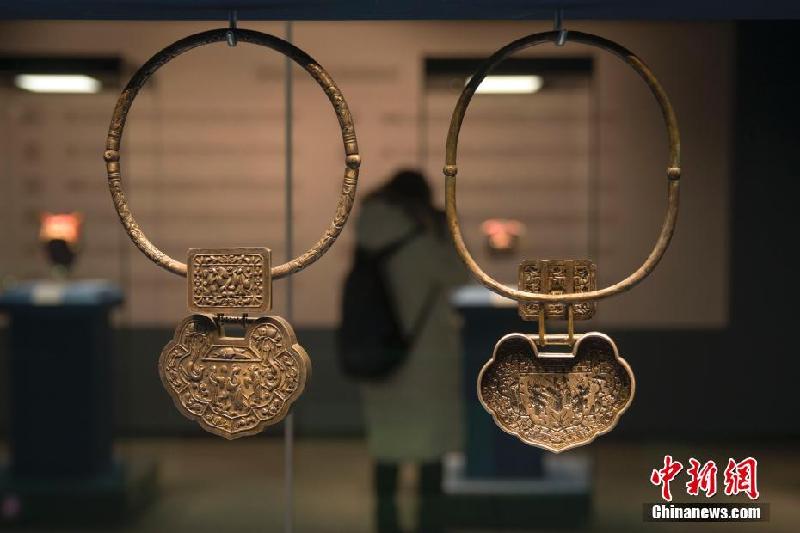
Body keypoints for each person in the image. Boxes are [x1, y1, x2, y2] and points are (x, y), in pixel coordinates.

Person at [354, 169, 468, 533]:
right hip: (426, 356)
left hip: (381, 352)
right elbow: (458, 274)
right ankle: (429, 521)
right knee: (430, 446)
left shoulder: (369, 231)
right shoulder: (425, 236)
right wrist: (449, 231)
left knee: (387, 444)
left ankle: (385, 520)